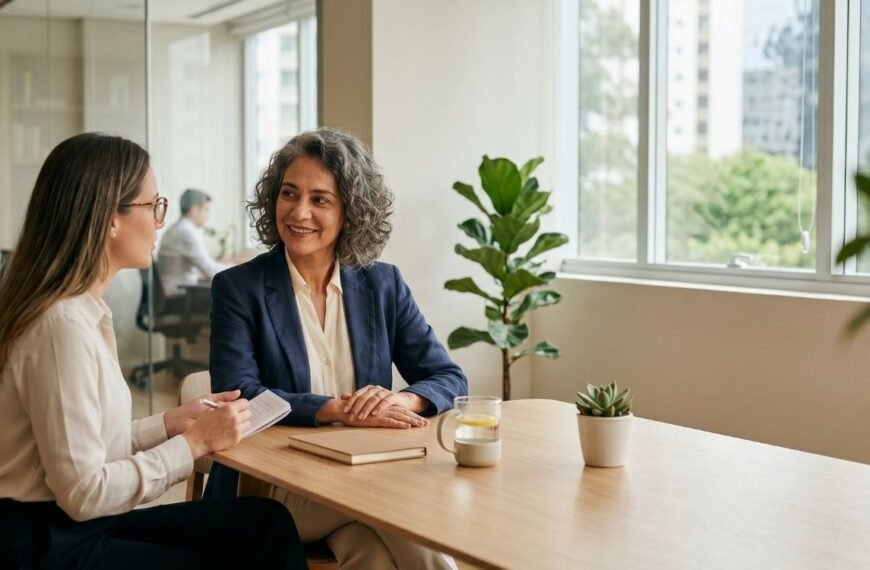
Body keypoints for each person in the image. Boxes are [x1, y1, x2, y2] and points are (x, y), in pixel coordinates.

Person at [0, 133, 307, 569]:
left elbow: (84, 448)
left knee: (265, 524)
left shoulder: (83, 315)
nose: (160, 221)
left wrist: (167, 425)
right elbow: (84, 493)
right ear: (110, 218)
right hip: (45, 542)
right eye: (153, 205)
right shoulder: (61, 328)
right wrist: (194, 443)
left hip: (69, 522)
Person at [206, 127, 468, 569]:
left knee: (371, 555)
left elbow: (447, 377)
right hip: (273, 487)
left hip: (362, 476)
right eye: (289, 194)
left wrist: (397, 398)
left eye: (320, 199)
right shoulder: (238, 288)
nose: (299, 211)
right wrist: (335, 409)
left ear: (350, 211)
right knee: (398, 509)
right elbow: (238, 392)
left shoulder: (383, 284)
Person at [157, 188, 229, 296]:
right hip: (180, 296)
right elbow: (211, 271)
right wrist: (241, 268)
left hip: (178, 292)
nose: (208, 216)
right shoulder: (186, 231)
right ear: (194, 210)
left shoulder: (179, 228)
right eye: (206, 209)